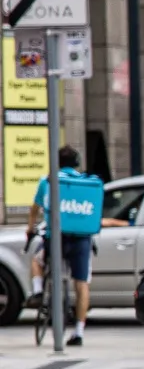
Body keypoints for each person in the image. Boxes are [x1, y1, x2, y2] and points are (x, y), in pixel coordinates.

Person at [28, 146, 102, 347]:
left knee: (37, 260)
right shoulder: (85, 183)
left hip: (56, 238)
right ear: (76, 162)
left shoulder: (48, 181)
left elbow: (35, 208)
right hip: (81, 239)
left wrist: (30, 229)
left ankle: (36, 292)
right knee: (81, 283)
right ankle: (79, 331)